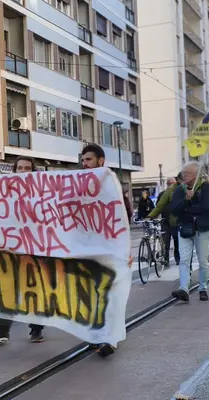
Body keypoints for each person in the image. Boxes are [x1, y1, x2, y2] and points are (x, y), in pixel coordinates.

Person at [0, 157, 46, 345]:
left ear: (33, 171)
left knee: (33, 290)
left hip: (36, 249)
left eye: (27, 168)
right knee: (8, 288)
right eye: (20, 168)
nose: (23, 171)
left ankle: (36, 328)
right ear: (14, 170)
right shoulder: (5, 192)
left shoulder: (42, 193)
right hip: (13, 250)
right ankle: (1, 330)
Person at [79, 144, 127, 358]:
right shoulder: (78, 186)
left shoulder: (111, 184)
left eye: (88, 159)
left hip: (109, 249)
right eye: (82, 160)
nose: (84, 164)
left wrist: (125, 247)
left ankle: (110, 338)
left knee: (110, 293)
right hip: (87, 249)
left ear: (101, 160)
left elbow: (123, 218)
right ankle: (96, 335)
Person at [169, 161, 209, 303]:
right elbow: (174, 210)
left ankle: (203, 288)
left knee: (202, 261)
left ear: (195, 175)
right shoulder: (180, 189)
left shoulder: (205, 187)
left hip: (202, 228)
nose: (184, 175)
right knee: (184, 260)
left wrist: (188, 208)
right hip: (185, 228)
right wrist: (186, 201)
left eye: (187, 173)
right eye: (183, 173)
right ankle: (184, 289)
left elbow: (207, 208)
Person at [148, 176, 181, 266]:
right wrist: (153, 216)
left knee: (177, 241)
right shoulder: (162, 194)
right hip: (165, 221)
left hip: (175, 222)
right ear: (167, 184)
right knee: (165, 242)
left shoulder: (178, 193)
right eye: (169, 184)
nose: (171, 185)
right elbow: (159, 206)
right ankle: (166, 258)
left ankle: (177, 258)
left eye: (173, 184)